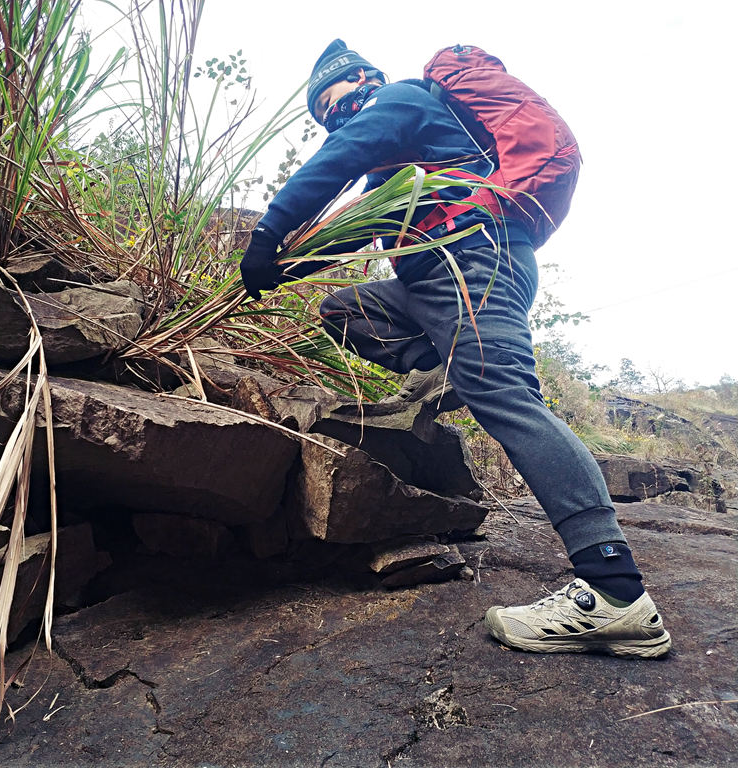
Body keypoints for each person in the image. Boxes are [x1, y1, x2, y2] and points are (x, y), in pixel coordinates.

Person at [240, 39, 671, 659]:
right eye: (324, 115)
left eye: (337, 104)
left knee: (507, 401)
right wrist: (290, 264)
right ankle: (450, 370)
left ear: (365, 81)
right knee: (344, 310)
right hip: (428, 286)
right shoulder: (404, 161)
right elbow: (361, 222)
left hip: (474, 264)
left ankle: (616, 591)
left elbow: (344, 153)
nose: (336, 119)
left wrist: (270, 227)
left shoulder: (402, 100)